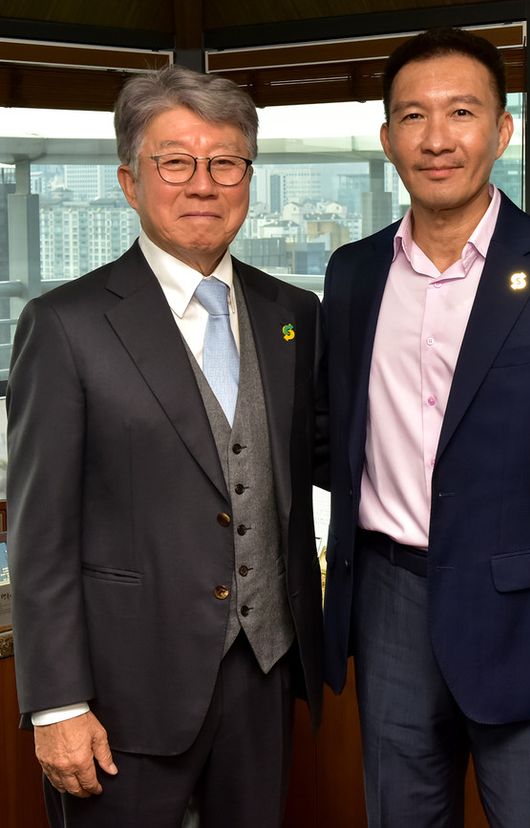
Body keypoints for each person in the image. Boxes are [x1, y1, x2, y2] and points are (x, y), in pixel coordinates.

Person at [322, 27, 530, 828]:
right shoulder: (353, 273)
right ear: (387, 139)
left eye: (461, 113)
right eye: (414, 116)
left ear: (502, 131)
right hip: (389, 603)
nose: (437, 139)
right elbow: (334, 435)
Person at [7, 65, 326, 828]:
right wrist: (57, 703)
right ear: (130, 181)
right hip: (122, 691)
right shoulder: (66, 325)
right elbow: (40, 533)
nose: (203, 184)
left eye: (226, 162)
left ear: (248, 178)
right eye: (175, 162)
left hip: (265, 672)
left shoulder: (292, 312)